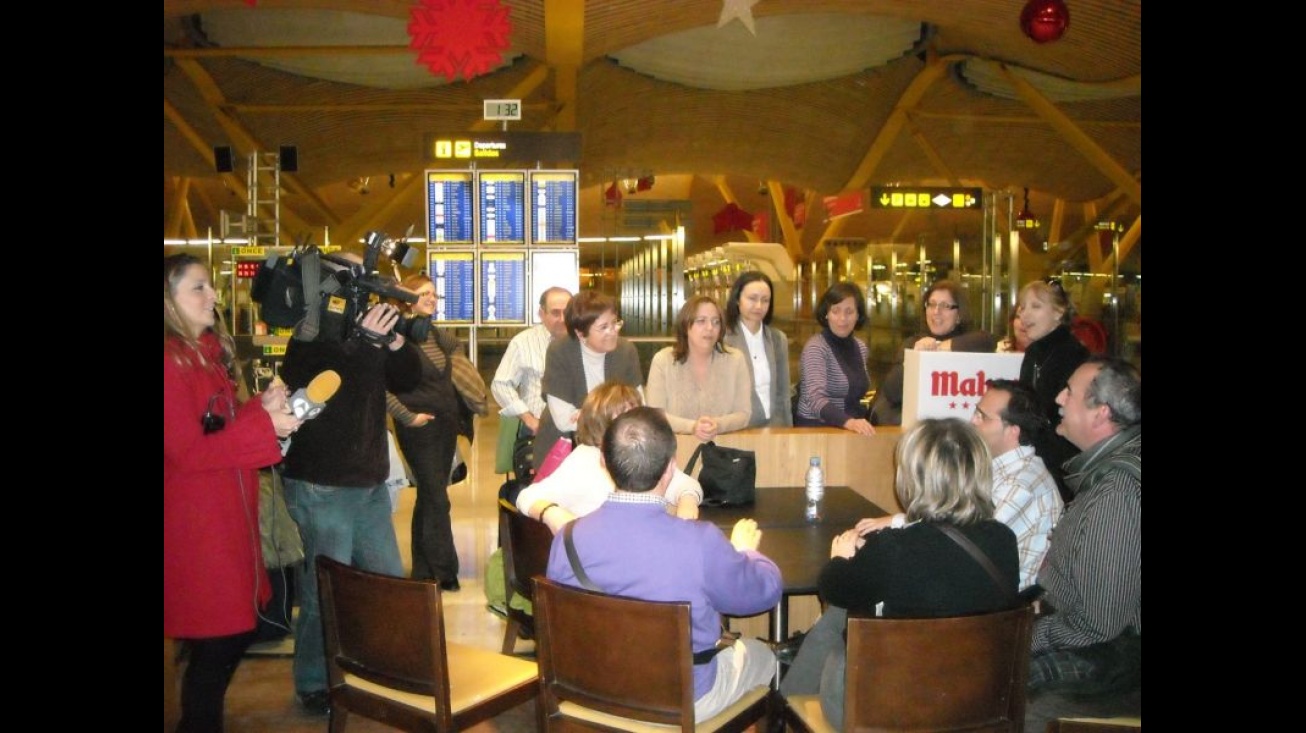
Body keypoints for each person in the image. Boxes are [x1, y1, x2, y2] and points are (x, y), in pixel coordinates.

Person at [546, 407, 782, 722]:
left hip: (591, 689)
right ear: (670, 469)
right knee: (764, 656)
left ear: (604, 461)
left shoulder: (567, 538)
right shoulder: (700, 542)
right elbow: (764, 592)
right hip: (682, 698)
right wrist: (744, 551)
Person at [780, 418, 1019, 730]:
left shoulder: (892, 549)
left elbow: (832, 587)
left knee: (839, 615)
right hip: (976, 707)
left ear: (911, 479)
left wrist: (840, 558)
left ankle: (785, 706)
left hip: (884, 712)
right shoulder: (1003, 540)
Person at [164, 254, 301, 733]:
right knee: (222, 634)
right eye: (198, 288)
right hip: (199, 522)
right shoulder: (169, 362)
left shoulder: (201, 354)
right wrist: (265, 425)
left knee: (229, 632)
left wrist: (259, 408)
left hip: (225, 512)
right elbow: (186, 453)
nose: (214, 296)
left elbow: (218, 427)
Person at [277, 262, 423, 716]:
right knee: (326, 592)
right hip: (322, 481)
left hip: (368, 482)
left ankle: (379, 668)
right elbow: (312, 384)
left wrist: (395, 342)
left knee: (385, 586)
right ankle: (315, 682)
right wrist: (361, 341)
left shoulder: (369, 329)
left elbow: (408, 379)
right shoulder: (312, 330)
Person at [1025, 357, 1141, 731]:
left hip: (1115, 661)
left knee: (994, 681)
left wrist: (1025, 635)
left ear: (1100, 414)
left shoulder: (1115, 492)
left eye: (1070, 393)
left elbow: (1098, 624)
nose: (1058, 397)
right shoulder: (1110, 471)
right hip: (1103, 642)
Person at [856, 379, 1060, 590]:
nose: (972, 421)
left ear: (1013, 431)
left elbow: (961, 538)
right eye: (975, 413)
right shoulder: (1003, 469)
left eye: (983, 417)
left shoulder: (1021, 484)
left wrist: (897, 524)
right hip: (975, 591)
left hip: (995, 608)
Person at [386, 273, 489, 591]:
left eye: (433, 293)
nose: (432, 298)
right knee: (436, 498)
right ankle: (445, 572)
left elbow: (455, 349)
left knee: (429, 499)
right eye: (424, 293)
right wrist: (407, 417)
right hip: (420, 428)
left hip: (444, 426)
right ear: (406, 299)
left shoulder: (433, 333)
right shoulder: (393, 337)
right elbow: (380, 386)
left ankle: (423, 571)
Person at [518, 381, 703, 530]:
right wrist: (554, 515)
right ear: (600, 422)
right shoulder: (584, 461)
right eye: (625, 417)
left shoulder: (641, 452)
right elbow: (527, 497)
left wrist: (688, 500)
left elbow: (683, 483)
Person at [534, 290, 643, 471]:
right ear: (580, 333)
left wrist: (586, 415)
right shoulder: (560, 351)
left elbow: (637, 408)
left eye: (615, 323)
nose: (613, 331)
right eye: (603, 327)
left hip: (617, 447)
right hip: (563, 448)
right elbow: (563, 419)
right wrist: (612, 416)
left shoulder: (626, 351)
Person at [869, 279, 997, 425]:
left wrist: (939, 347)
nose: (936, 312)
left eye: (945, 306)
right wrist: (914, 359)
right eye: (931, 304)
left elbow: (988, 340)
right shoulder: (913, 343)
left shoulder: (969, 341)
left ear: (959, 314)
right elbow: (892, 392)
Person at [1018, 279, 1089, 501]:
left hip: (1063, 467)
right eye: (1022, 307)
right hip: (1039, 459)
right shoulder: (1034, 354)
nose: (1025, 315)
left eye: (1036, 306)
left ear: (1059, 313)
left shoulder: (1073, 355)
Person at [646, 295, 752, 440]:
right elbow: (655, 415)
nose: (710, 328)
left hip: (724, 451)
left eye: (716, 322)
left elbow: (744, 414)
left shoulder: (736, 360)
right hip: (674, 451)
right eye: (701, 321)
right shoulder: (663, 361)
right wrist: (692, 427)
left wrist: (718, 425)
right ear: (685, 326)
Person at [794, 282, 875, 434]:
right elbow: (815, 399)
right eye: (835, 311)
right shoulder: (816, 347)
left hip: (851, 428)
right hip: (817, 428)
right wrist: (848, 422)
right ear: (826, 313)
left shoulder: (861, 347)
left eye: (849, 311)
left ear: (858, 315)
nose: (842, 318)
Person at [491, 287, 572, 437]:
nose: (562, 319)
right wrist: (528, 418)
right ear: (541, 313)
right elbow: (500, 384)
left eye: (567, 312)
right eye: (555, 313)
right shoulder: (523, 342)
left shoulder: (586, 340)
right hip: (539, 431)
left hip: (577, 431)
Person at [722, 271, 793, 427]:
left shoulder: (777, 339)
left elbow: (783, 392)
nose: (759, 306)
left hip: (774, 427)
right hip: (738, 428)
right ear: (737, 300)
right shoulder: (723, 339)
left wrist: (786, 428)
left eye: (765, 300)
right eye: (752, 299)